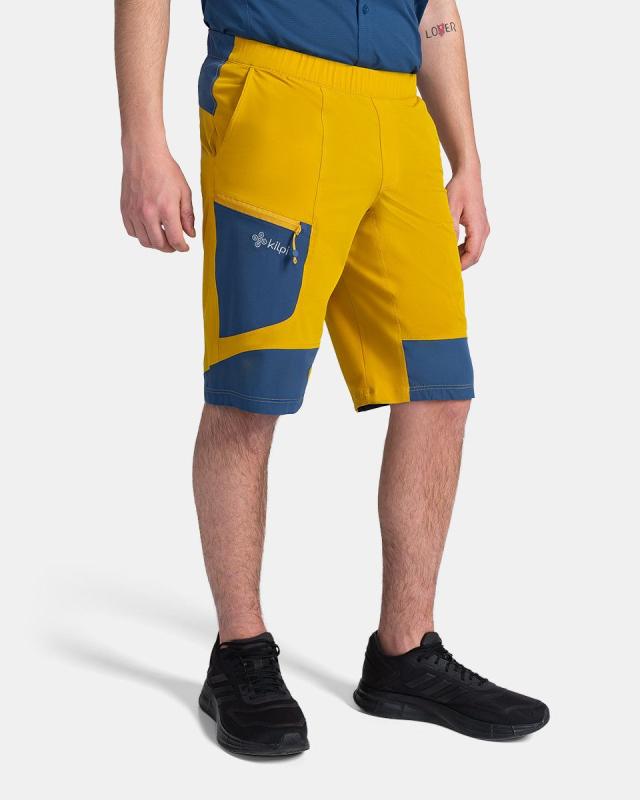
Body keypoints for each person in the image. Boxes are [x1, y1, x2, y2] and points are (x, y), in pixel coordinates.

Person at [115, 0, 549, 757]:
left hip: (399, 114)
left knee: (439, 389)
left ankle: (406, 653)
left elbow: (435, 10)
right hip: (275, 89)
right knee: (250, 391)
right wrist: (143, 143)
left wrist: (467, 158)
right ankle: (240, 651)